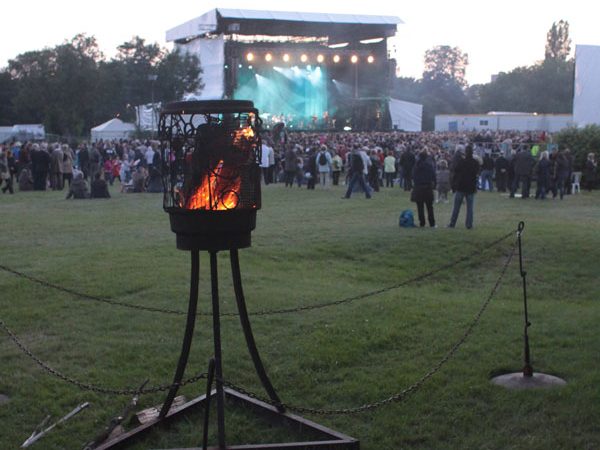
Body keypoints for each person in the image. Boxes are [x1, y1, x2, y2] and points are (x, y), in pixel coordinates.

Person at [448, 144, 480, 229]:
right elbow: (477, 173)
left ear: (465, 152)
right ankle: (469, 224)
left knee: (456, 207)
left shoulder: (461, 162)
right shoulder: (475, 163)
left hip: (461, 186)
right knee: (470, 208)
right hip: (471, 187)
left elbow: (455, 170)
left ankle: (452, 223)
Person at [411, 150, 436, 227]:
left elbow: (413, 176)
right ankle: (432, 223)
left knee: (420, 207)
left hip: (418, 187)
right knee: (429, 206)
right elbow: (433, 175)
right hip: (427, 187)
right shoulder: (429, 165)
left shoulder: (416, 166)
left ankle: (422, 222)